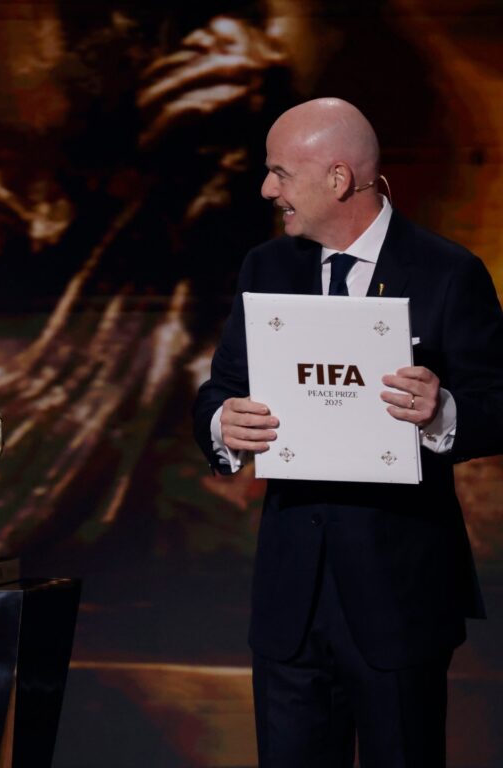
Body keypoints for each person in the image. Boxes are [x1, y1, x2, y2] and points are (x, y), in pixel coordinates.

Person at [193, 97, 503, 767]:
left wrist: (442, 411)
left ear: (338, 178)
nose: (266, 189)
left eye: (279, 172)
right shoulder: (266, 267)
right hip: (290, 604)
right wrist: (223, 421)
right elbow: (219, 389)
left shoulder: (449, 272)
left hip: (401, 603)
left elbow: (498, 405)